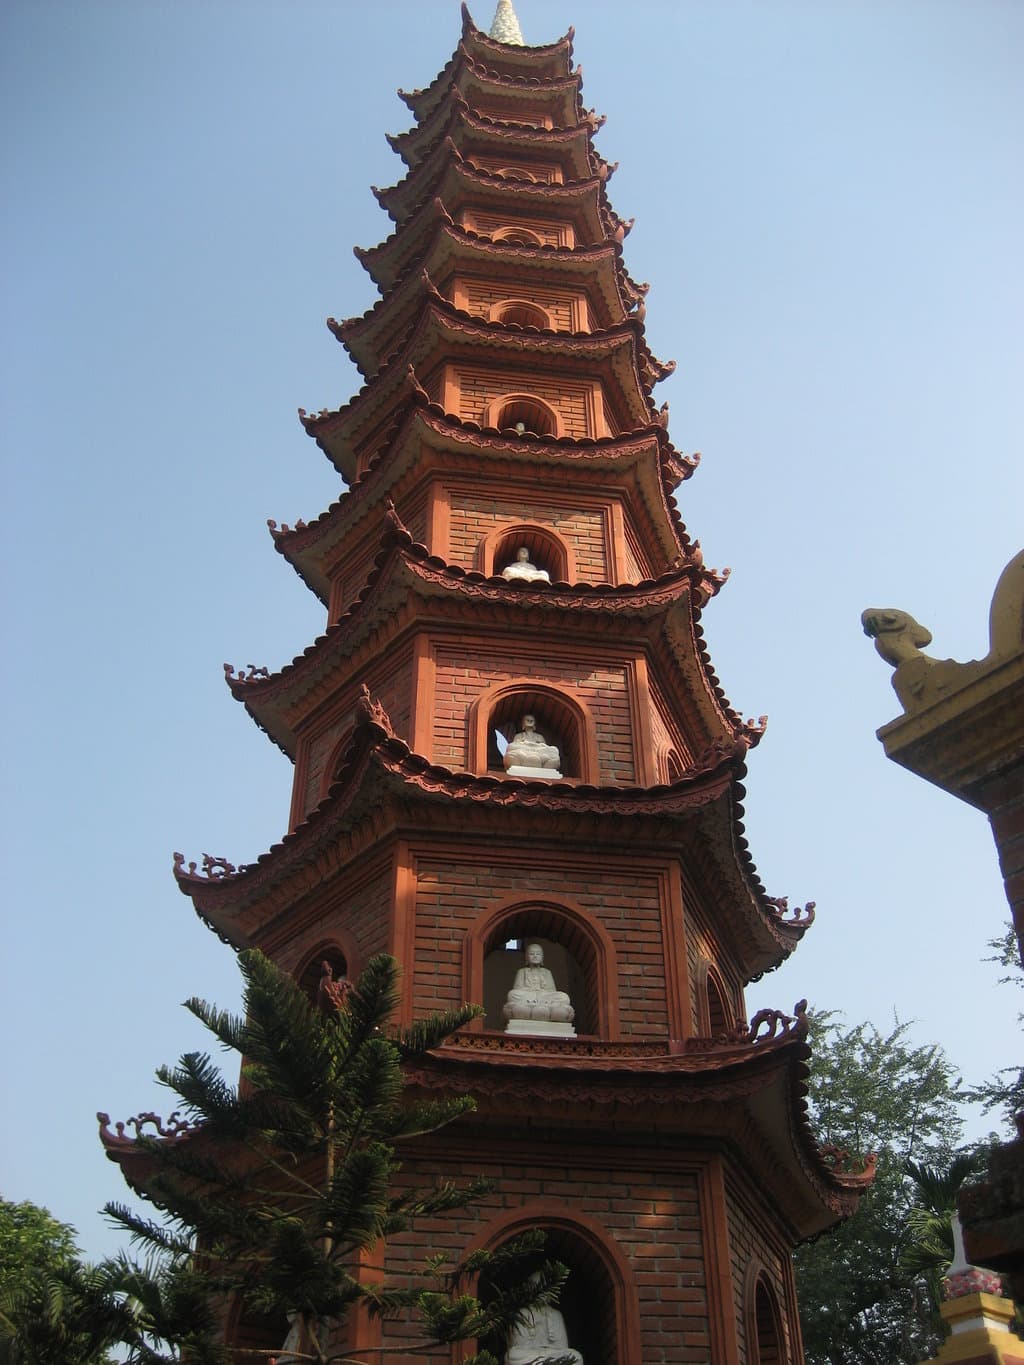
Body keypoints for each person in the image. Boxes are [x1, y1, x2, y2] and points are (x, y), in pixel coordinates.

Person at [505, 1287, 583, 1364]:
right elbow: (518, 1346)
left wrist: (547, 1353)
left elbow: (563, 1346)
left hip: (553, 1354)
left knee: (576, 1356)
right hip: (529, 1355)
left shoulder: (556, 1315)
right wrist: (539, 1354)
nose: (542, 1295)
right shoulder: (522, 1314)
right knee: (512, 1355)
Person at [503, 943, 574, 1025]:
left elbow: (551, 991)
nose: (535, 956)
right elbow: (518, 989)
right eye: (532, 954)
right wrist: (531, 993)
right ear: (526, 957)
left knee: (564, 997)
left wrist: (541, 994)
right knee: (512, 994)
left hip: (544, 997)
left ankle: (535, 1007)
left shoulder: (547, 972)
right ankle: (541, 1008)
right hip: (528, 996)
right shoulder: (522, 971)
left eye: (538, 954)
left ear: (542, 957)